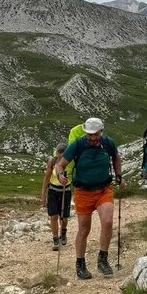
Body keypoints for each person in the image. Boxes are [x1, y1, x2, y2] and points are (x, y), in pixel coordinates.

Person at [56, 117, 121, 279]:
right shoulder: (78, 144)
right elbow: (60, 164)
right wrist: (60, 175)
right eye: (89, 134)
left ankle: (103, 260)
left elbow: (116, 158)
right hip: (83, 191)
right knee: (84, 229)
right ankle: (80, 264)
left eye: (95, 134)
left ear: (101, 131)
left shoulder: (108, 143)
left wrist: (119, 175)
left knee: (107, 222)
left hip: (104, 189)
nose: (92, 138)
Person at [40, 143, 72, 251]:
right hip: (53, 191)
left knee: (64, 217)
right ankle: (55, 238)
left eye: (63, 155)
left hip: (66, 191)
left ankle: (63, 232)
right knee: (53, 216)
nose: (61, 157)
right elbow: (46, 178)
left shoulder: (71, 162)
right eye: (60, 155)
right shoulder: (52, 162)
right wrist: (43, 195)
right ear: (57, 153)